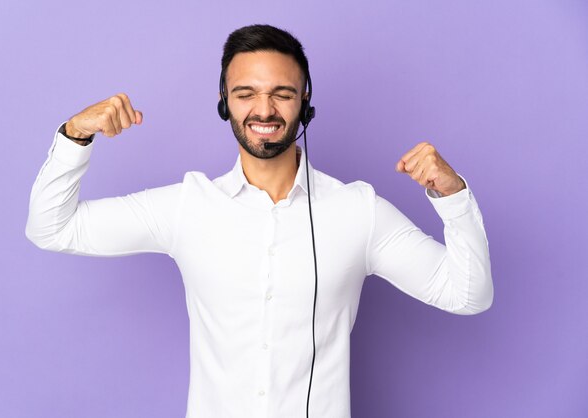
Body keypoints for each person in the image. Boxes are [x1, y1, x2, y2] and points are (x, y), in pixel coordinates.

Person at [26, 24, 493, 418]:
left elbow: (466, 294)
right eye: (246, 93)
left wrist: (451, 197)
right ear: (224, 101)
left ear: (305, 99)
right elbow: (51, 227)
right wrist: (75, 135)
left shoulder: (359, 211)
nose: (264, 110)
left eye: (281, 93)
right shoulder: (188, 205)